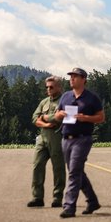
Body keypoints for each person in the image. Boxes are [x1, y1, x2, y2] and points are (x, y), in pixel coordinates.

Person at [54, 67, 104, 218]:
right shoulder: (65, 97)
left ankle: (69, 207)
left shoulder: (91, 98)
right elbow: (56, 116)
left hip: (82, 139)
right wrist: (60, 114)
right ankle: (93, 201)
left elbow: (101, 117)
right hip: (66, 139)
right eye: (71, 76)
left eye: (75, 76)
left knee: (74, 172)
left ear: (83, 80)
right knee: (77, 172)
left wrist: (86, 118)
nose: (72, 79)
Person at [27, 75, 66, 208]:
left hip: (57, 138)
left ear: (59, 87)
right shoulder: (44, 102)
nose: (48, 89)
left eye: (51, 87)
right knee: (37, 166)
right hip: (42, 138)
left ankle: (57, 197)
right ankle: (37, 197)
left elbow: (61, 117)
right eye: (47, 87)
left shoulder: (65, 101)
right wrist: (46, 124)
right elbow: (34, 118)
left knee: (58, 168)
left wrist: (44, 117)